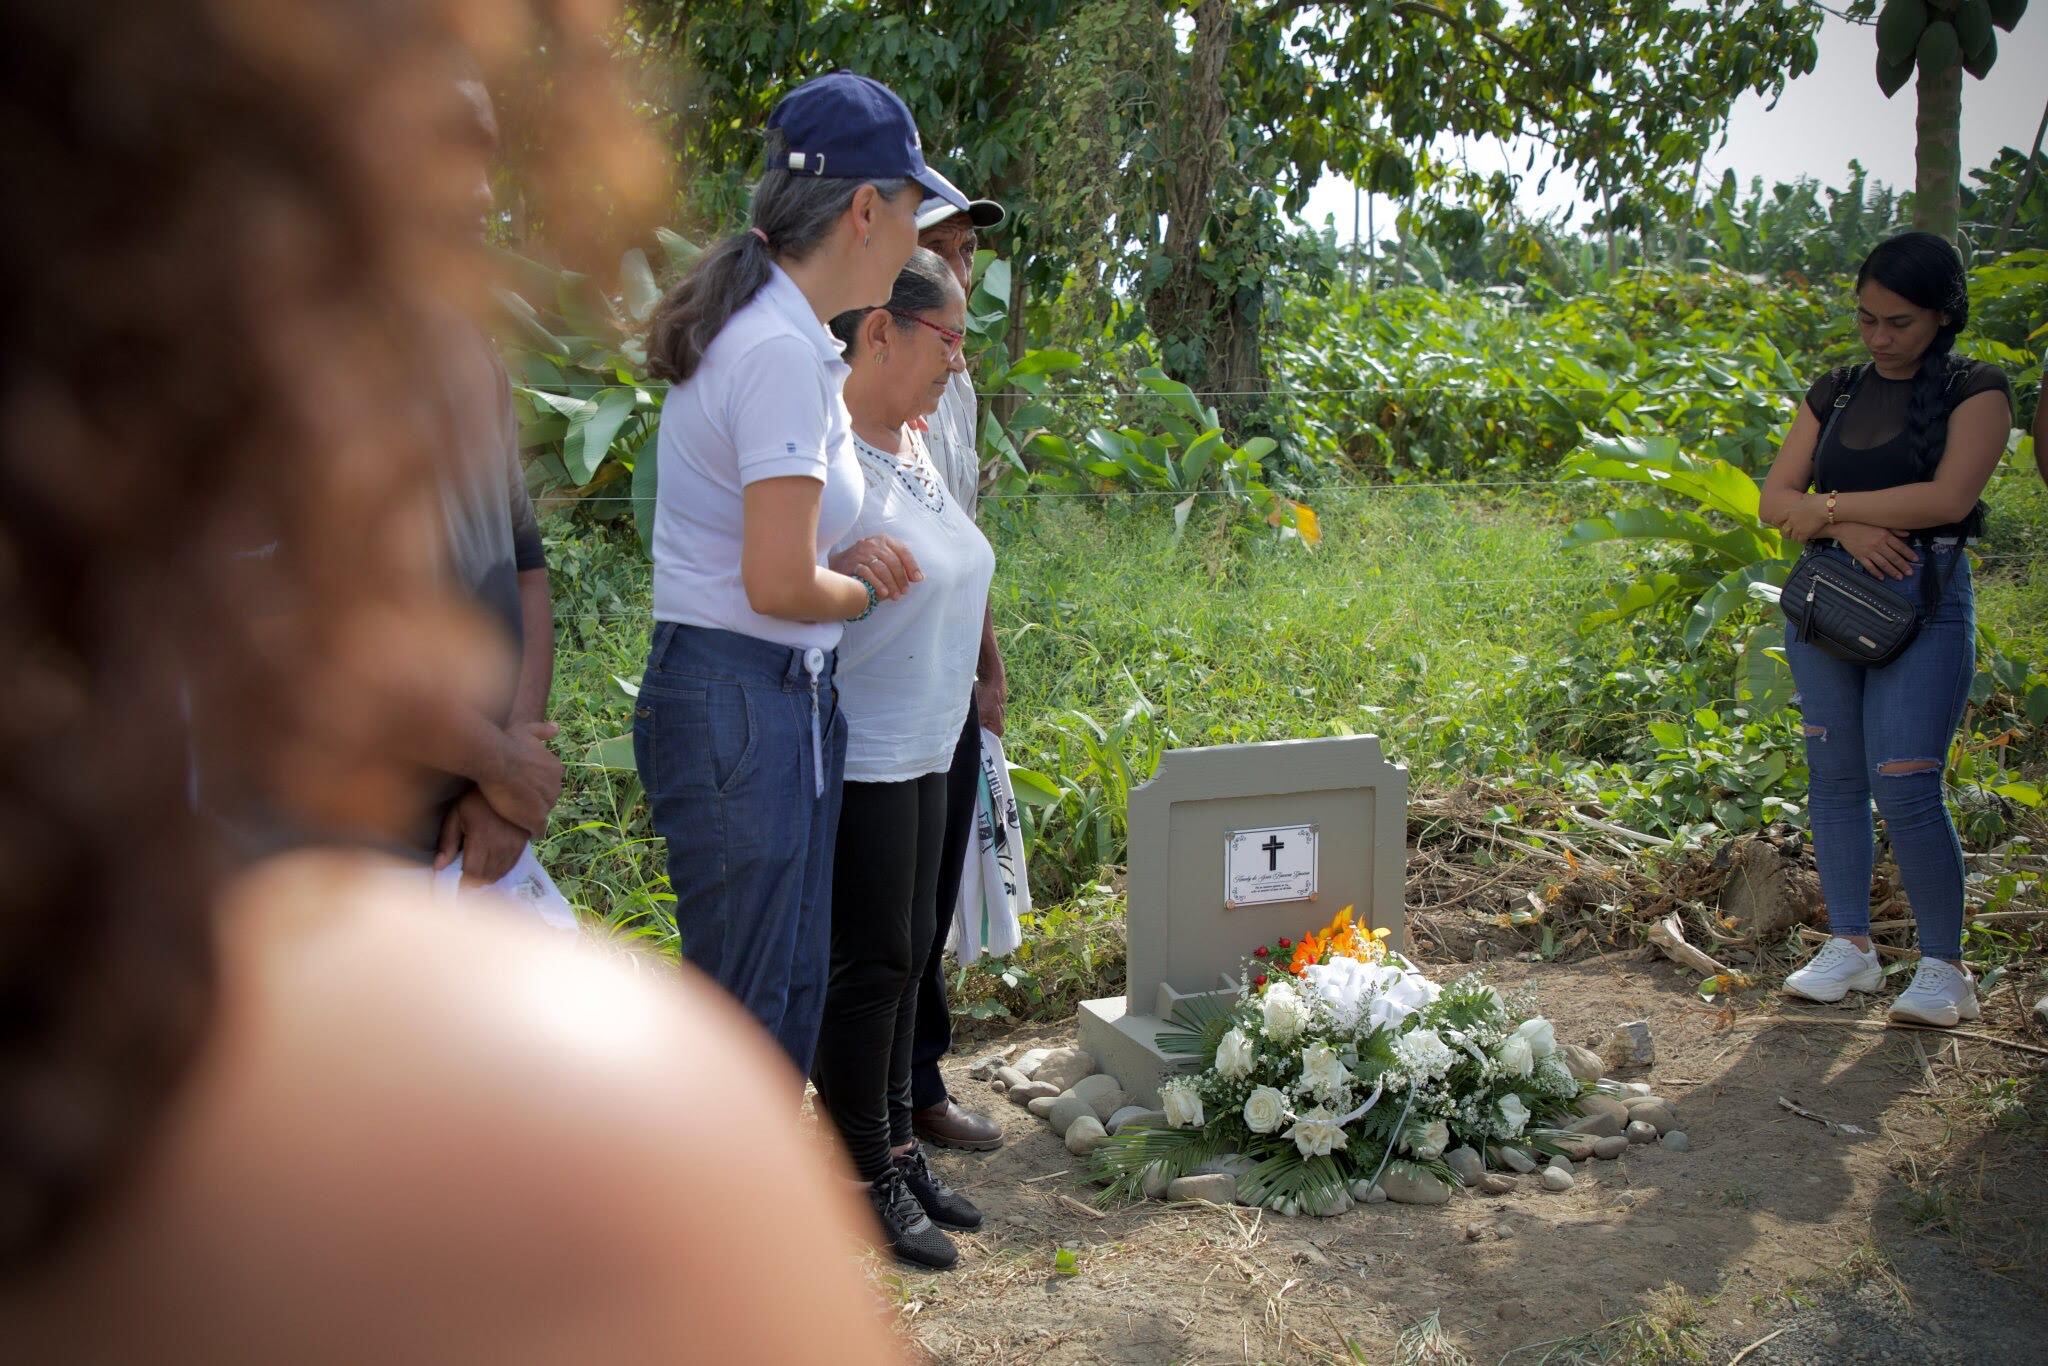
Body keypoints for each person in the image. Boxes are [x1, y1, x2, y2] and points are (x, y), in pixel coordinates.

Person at [0, 3, 901, 1362]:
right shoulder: (598, 1154)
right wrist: (492, 746)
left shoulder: (456, 364)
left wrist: (506, 761)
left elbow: (521, 574)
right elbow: (294, 623)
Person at [637, 72, 968, 1076]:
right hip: (745, 695)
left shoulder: (786, 340)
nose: (919, 238)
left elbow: (779, 554)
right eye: (914, 211)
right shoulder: (777, 352)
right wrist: (859, 589)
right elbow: (777, 585)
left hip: (762, 695)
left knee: (778, 998)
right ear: (864, 211)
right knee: (747, 1023)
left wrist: (833, 562)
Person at [1759, 232, 2014, 1027]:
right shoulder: (1834, 388)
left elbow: (1948, 499)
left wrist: (1832, 512)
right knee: (1834, 782)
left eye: (1898, 323)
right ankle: (1852, 949)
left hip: (1926, 604)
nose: (1878, 337)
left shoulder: (1979, 389)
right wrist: (1848, 532)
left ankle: (1945, 967)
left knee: (1905, 783)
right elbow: (1775, 501)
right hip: (1830, 608)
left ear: (1942, 316)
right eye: (1867, 319)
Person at [813, 250, 995, 1269]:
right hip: (868, 744)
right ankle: (860, 1176)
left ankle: (893, 1145)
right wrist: (828, 568)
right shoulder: (829, 448)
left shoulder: (912, 439)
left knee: (909, 947)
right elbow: (772, 569)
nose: (958, 363)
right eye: (948, 340)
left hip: (931, 739)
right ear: (882, 329)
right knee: (871, 962)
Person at [907, 188, 1012, 1154]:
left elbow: (964, 533)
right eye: (940, 249)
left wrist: (988, 663)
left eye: (968, 250)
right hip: (892, 671)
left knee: (935, 882)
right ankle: (884, 1102)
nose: (962, 268)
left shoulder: (962, 390)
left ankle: (920, 1083)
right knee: (888, 897)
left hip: (950, 664)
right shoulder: (861, 378)